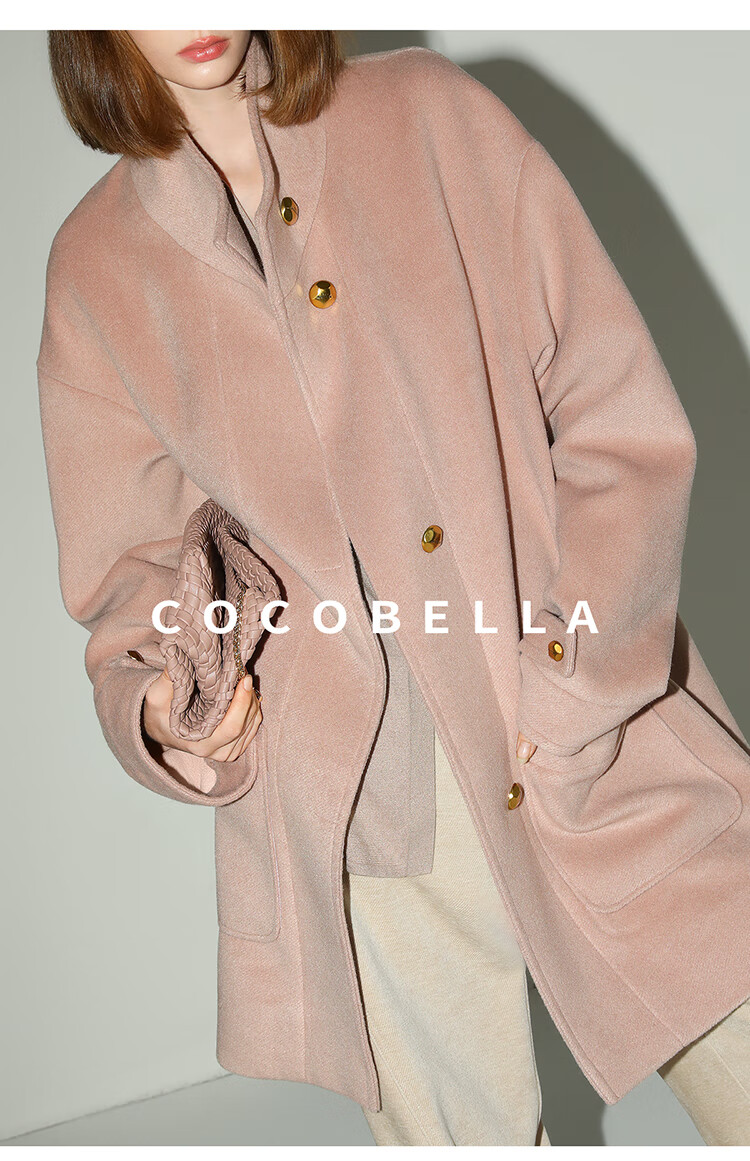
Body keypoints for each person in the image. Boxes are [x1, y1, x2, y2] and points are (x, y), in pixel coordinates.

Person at [38, 30, 750, 1146]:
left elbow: (617, 422)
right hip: (366, 812)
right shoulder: (97, 268)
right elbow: (132, 572)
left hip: (583, 729)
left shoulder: (429, 114)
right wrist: (174, 707)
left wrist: (575, 680)